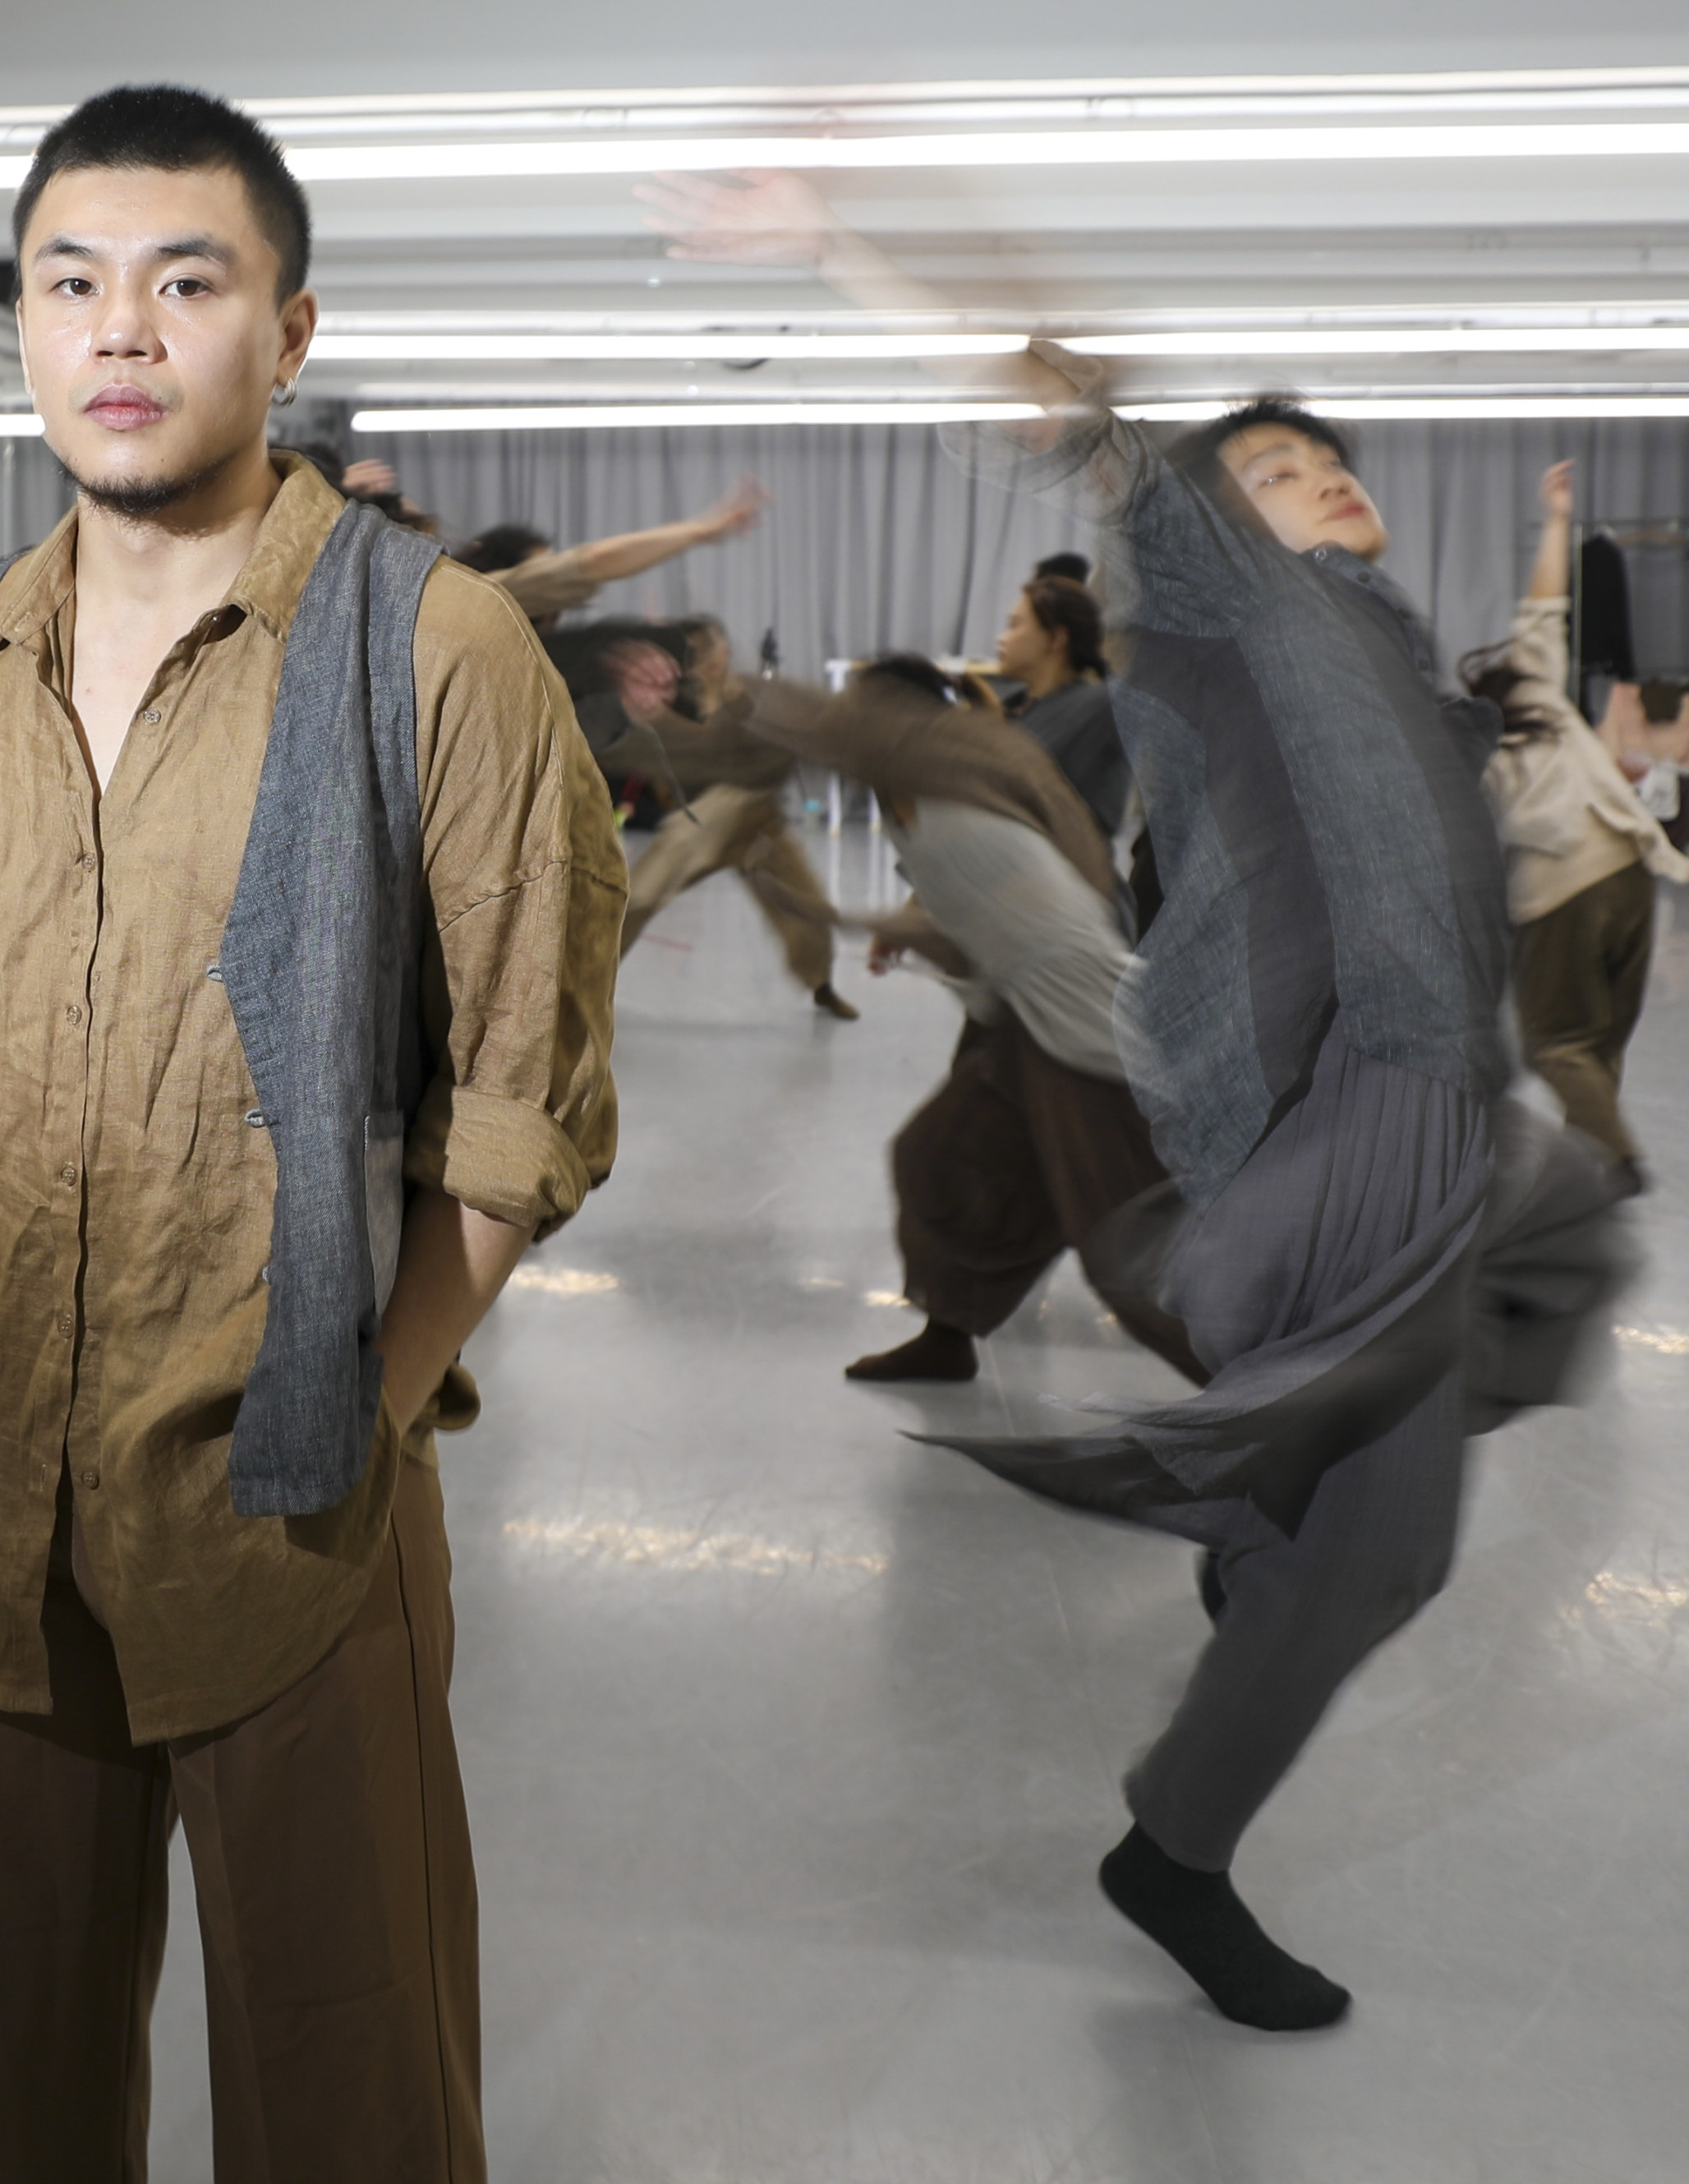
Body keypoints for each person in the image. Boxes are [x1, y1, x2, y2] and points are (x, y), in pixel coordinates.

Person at [652, 170, 1626, 2034]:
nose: (1321, 476)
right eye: (1272, 468)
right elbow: (1065, 380)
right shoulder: (1230, 611)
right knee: (1385, 1544)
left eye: (1332, 463)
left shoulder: (1385, 660)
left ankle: (1274, 1530)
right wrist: (845, 228)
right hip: (1335, 1138)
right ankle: (1173, 1845)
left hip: (1439, 1106)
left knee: (1557, 1258)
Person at [0, 85, 621, 2179]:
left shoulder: (437, 648)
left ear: (289, 330)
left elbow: (522, 1108)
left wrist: (362, 1407)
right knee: (15, 2077)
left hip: (286, 1494)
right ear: (29, 332)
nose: (119, 327)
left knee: (358, 2086)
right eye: (71, 282)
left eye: (184, 279)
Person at [745, 655, 1194, 1383]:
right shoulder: (911, 798)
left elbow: (1036, 932)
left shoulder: (958, 808)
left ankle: (1285, 1394)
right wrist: (911, 922)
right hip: (1024, 1023)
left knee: (1129, 1253)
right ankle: (947, 1336)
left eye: (859, 710)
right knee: (942, 1161)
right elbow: (972, 919)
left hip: (1083, 1038)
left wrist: (858, 919)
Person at [1466, 458, 1688, 1191]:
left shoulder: (1467, 759)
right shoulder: (1542, 701)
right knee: (1599, 1042)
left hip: (1563, 891)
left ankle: (1615, 1159)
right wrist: (1558, 516)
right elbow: (1543, 608)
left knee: (1555, 1043)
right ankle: (1588, 1156)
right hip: (1631, 876)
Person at [608, 612, 863, 1020]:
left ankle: (822, 986)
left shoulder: (757, 697)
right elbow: (649, 749)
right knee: (638, 899)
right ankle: (582, 985)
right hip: (704, 821)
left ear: (723, 652)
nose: (704, 663)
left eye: (709, 651)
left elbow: (802, 736)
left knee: (805, 906)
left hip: (758, 819)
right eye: (692, 656)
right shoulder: (679, 704)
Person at [445, 477, 770, 623]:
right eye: (538, 575)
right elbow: (594, 562)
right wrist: (700, 530)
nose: (550, 610)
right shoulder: (490, 595)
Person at [996, 573, 1132, 838]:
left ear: (1056, 638)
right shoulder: (1012, 711)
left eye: (1014, 626)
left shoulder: (1101, 707)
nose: (1002, 638)